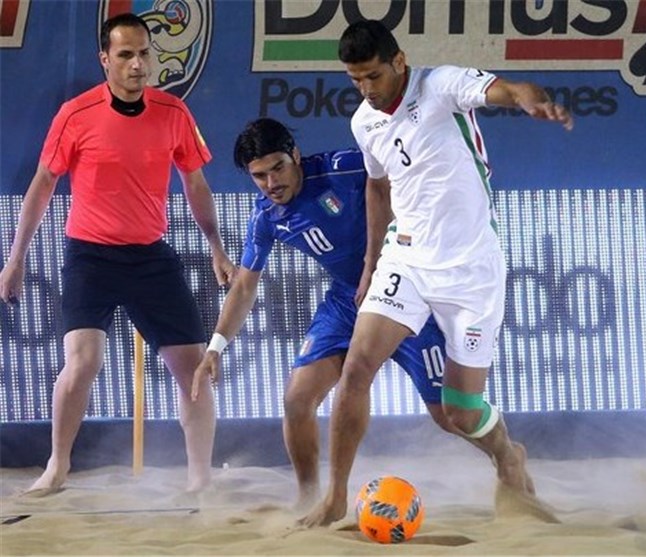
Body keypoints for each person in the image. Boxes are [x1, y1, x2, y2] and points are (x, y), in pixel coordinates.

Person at [298, 20, 573, 527]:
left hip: (471, 269)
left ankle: (508, 454)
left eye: (374, 76)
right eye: (356, 80)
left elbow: (509, 89)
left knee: (460, 412)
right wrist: (370, 264)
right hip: (406, 259)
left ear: (399, 61)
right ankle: (336, 497)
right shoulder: (365, 122)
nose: (366, 89)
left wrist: (532, 101)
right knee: (356, 369)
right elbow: (377, 190)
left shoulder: (439, 84)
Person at [192, 118, 532, 511]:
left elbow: (403, 182)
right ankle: (310, 499)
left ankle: (507, 452)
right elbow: (245, 286)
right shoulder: (266, 217)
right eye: (259, 176)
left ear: (296, 156)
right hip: (348, 301)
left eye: (278, 168)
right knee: (297, 399)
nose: (271, 183)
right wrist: (216, 347)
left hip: (407, 292)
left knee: (449, 415)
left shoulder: (349, 169)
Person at [0, 13, 235, 493]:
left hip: (151, 255)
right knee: (83, 360)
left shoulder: (174, 113)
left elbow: (196, 184)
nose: (137, 64)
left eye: (144, 53)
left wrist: (216, 247)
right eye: (125, 55)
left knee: (193, 367)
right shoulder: (75, 114)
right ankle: (57, 466)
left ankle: (200, 478)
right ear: (105, 59)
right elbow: (43, 185)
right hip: (90, 256)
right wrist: (15, 258)